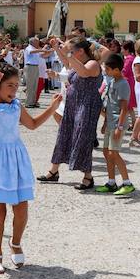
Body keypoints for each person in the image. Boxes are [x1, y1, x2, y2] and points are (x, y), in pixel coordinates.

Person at [0, 65, 62, 273]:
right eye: (9, 85)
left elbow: (33, 124)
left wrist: (52, 108)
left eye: (16, 86)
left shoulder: (16, 106)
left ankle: (16, 242)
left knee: (21, 209)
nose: (14, 90)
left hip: (16, 161)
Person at [39, 38, 103, 190]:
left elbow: (84, 72)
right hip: (73, 104)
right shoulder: (76, 63)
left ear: (80, 51)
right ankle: (53, 171)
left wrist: (67, 54)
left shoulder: (92, 64)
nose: (69, 54)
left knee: (82, 138)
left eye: (72, 51)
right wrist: (57, 49)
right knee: (64, 135)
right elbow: (68, 65)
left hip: (87, 105)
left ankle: (88, 176)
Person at [95, 53, 135, 196]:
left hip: (118, 124)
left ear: (116, 69)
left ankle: (127, 183)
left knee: (114, 153)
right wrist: (105, 123)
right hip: (110, 122)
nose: (105, 71)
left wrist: (119, 127)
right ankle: (111, 182)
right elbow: (110, 105)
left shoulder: (123, 84)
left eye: (107, 69)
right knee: (106, 152)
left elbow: (124, 108)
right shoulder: (112, 81)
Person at [23, 37, 52, 107]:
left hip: (35, 67)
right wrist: (42, 49)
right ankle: (28, 103)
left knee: (35, 86)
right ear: (33, 42)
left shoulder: (35, 49)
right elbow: (32, 52)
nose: (38, 43)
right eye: (37, 41)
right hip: (30, 67)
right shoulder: (29, 48)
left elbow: (42, 55)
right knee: (30, 86)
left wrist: (50, 51)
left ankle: (33, 102)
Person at [121, 40, 138, 130]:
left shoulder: (129, 58)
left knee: (127, 104)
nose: (121, 50)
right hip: (130, 81)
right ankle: (133, 122)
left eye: (122, 48)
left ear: (126, 49)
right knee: (129, 105)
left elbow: (124, 71)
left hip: (127, 82)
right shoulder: (132, 57)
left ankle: (126, 123)